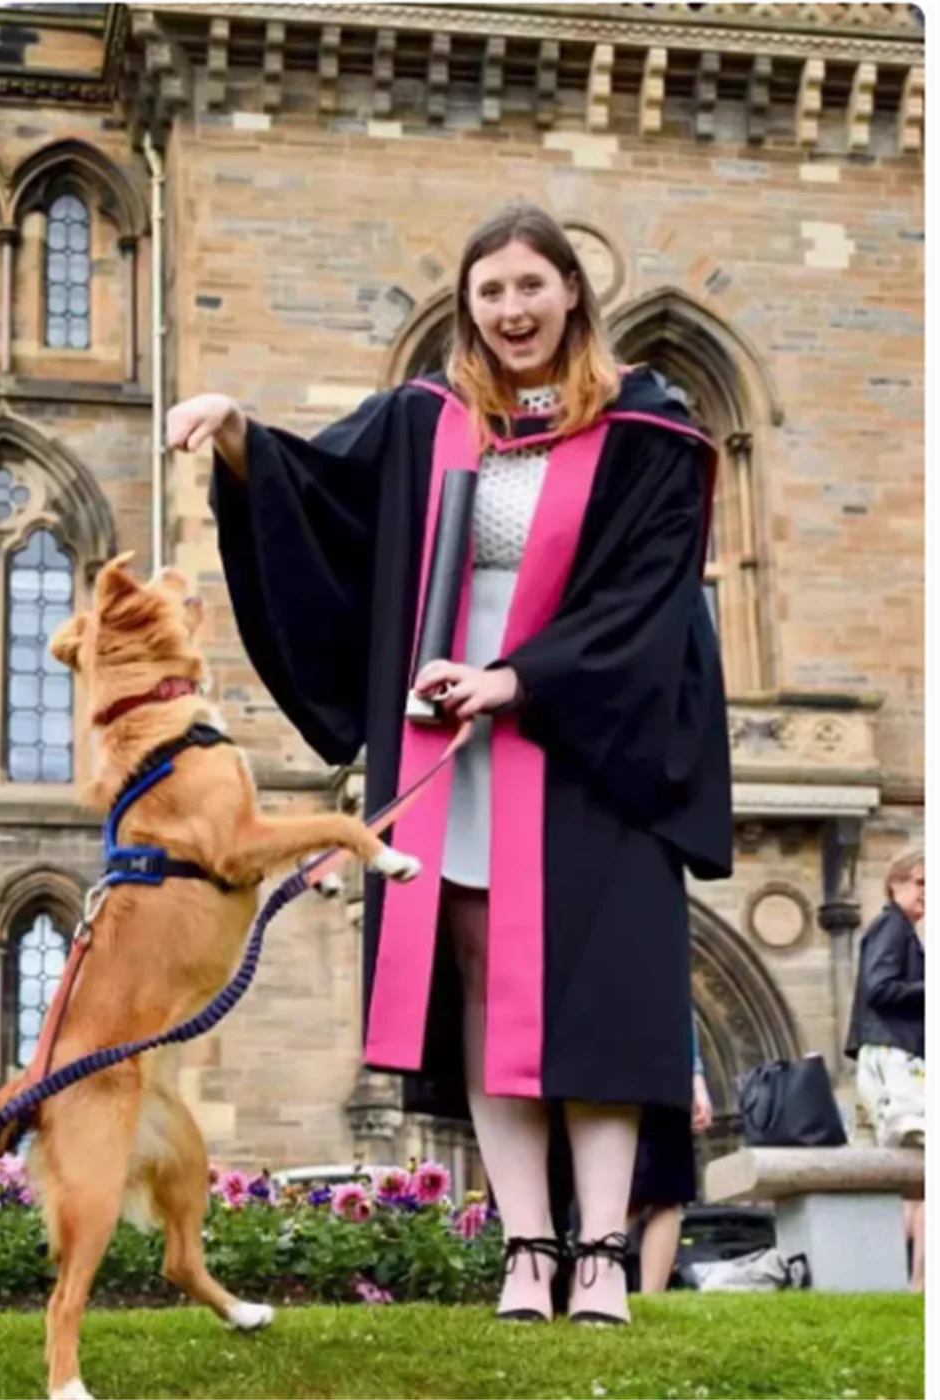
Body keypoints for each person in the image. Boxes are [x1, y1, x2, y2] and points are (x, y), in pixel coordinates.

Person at [169, 199, 732, 1325]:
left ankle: (605, 1254)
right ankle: (527, 1247)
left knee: (591, 991)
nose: (513, 310)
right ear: (465, 309)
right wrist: (236, 431)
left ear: (572, 290)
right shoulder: (426, 420)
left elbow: (649, 593)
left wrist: (518, 678)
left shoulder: (645, 427)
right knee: (480, 984)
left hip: (585, 738)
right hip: (449, 742)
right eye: (491, 293)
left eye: (531, 285)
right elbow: (321, 498)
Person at [845, 849, 925, 1291]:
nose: (927, 895)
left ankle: (904, 1280)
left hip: (888, 1058)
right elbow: (881, 989)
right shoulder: (892, 926)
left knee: (909, 1175)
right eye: (920, 883)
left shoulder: (900, 930)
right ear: (895, 883)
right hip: (895, 1059)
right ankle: (918, 1281)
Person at [628, 1015, 714, 1294]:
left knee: (666, 1193)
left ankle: (648, 1297)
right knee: (634, 1195)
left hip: (665, 1061)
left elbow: (680, 1001)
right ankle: (589, 1282)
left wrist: (695, 1074)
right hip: (627, 1055)